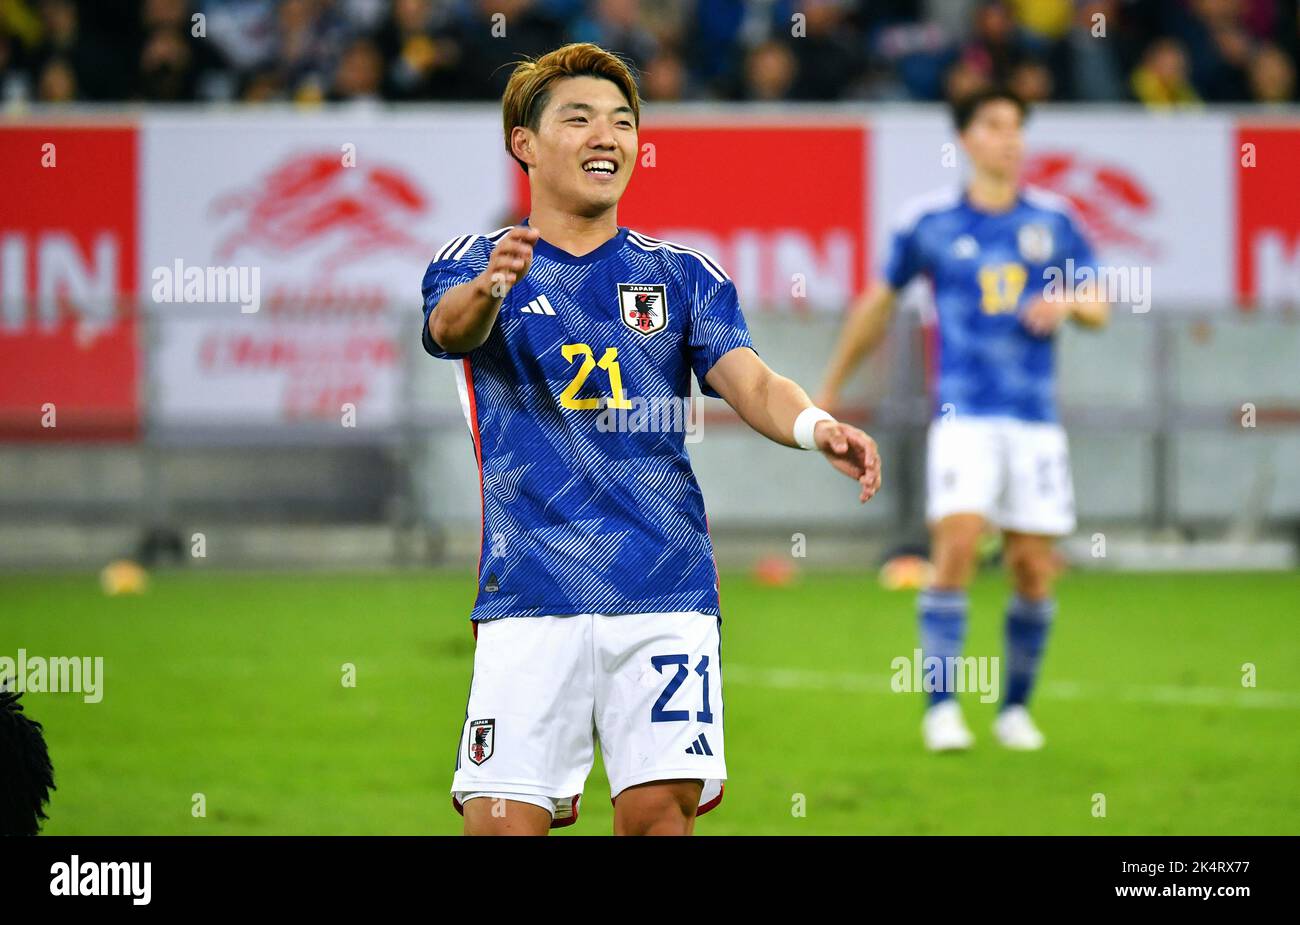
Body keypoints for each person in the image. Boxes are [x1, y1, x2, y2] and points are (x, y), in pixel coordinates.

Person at [421, 42, 881, 835]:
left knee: (656, 821)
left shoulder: (683, 276)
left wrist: (815, 425)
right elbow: (450, 329)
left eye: (623, 122)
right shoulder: (474, 263)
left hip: (663, 588)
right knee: (500, 823)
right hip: (531, 593)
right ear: (524, 144)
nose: (608, 136)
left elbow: (754, 382)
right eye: (581, 119)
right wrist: (494, 286)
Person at [818, 87, 1108, 752]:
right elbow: (878, 303)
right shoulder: (931, 223)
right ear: (967, 139)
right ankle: (942, 708)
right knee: (955, 545)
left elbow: (1098, 303)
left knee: (1033, 567)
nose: (1009, 139)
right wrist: (829, 388)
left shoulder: (1054, 222)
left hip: (1034, 421)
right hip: (963, 416)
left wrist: (1066, 302)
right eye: (995, 126)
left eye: (1017, 128)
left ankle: (1014, 710)